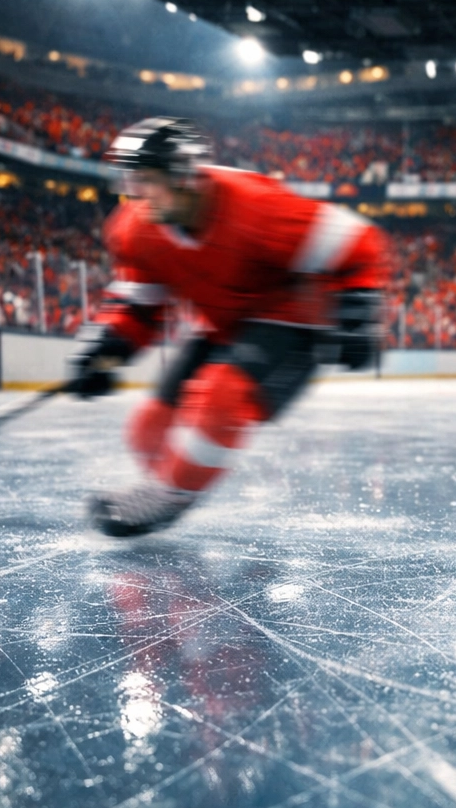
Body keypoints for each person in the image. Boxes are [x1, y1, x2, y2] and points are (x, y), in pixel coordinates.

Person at [67, 118, 389, 536]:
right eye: (131, 179)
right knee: (148, 428)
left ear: (183, 176)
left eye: (146, 180)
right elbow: (140, 305)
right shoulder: (136, 230)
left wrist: (359, 313)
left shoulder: (256, 207)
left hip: (294, 320)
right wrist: (107, 348)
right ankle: (180, 480)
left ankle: (171, 495)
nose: (133, 193)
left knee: (222, 396)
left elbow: (359, 242)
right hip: (222, 324)